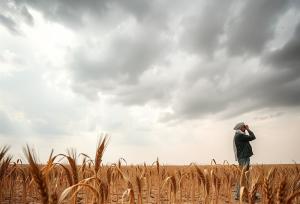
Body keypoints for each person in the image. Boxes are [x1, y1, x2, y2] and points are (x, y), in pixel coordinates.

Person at [233, 122, 256, 200]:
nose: (245, 128)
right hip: (244, 158)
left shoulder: (239, 135)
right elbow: (253, 137)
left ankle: (242, 194)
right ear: (240, 128)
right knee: (244, 177)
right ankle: (239, 195)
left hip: (243, 157)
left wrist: (246, 130)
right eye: (243, 127)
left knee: (243, 177)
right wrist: (248, 129)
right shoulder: (240, 136)